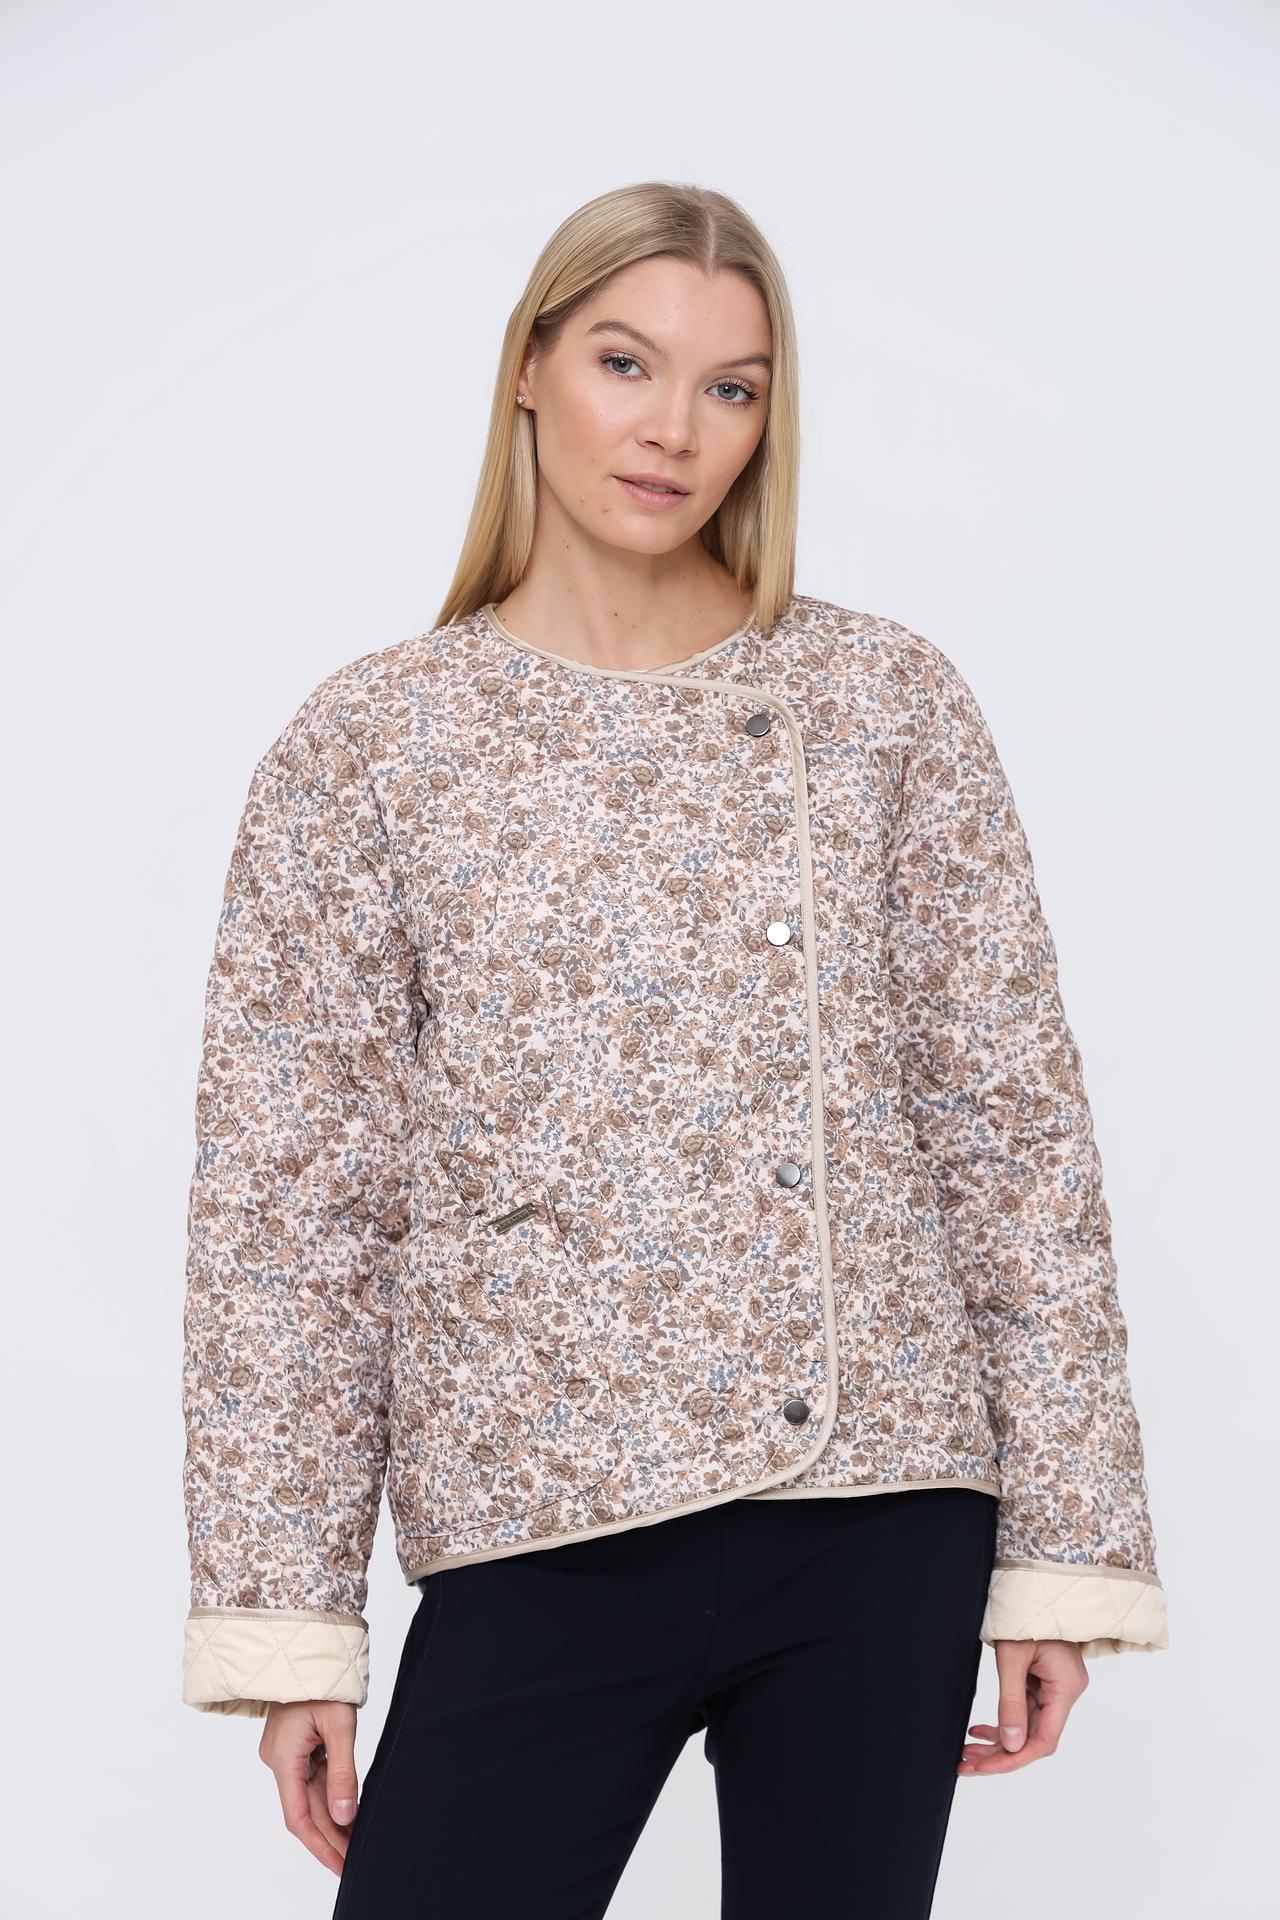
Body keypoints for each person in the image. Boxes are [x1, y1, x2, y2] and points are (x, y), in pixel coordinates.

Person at [179, 180, 1168, 1918]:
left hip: (878, 1508)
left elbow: (1012, 1127)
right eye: (626, 363)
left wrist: (1066, 1552)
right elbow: (291, 1214)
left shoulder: (885, 703)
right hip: (539, 1513)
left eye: (732, 387)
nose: (674, 430)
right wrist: (292, 1619)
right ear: (530, 368)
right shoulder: (370, 745)